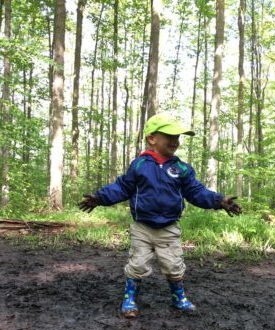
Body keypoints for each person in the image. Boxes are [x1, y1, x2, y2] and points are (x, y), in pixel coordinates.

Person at [79, 113, 241, 318]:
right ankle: (130, 298)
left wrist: (219, 201)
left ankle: (178, 298)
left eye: (178, 137)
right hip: (142, 227)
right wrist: (99, 198)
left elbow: (196, 192)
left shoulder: (181, 168)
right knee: (137, 263)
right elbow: (122, 187)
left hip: (169, 227)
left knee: (173, 264)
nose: (175, 141)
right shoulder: (139, 165)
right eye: (169, 136)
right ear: (152, 139)